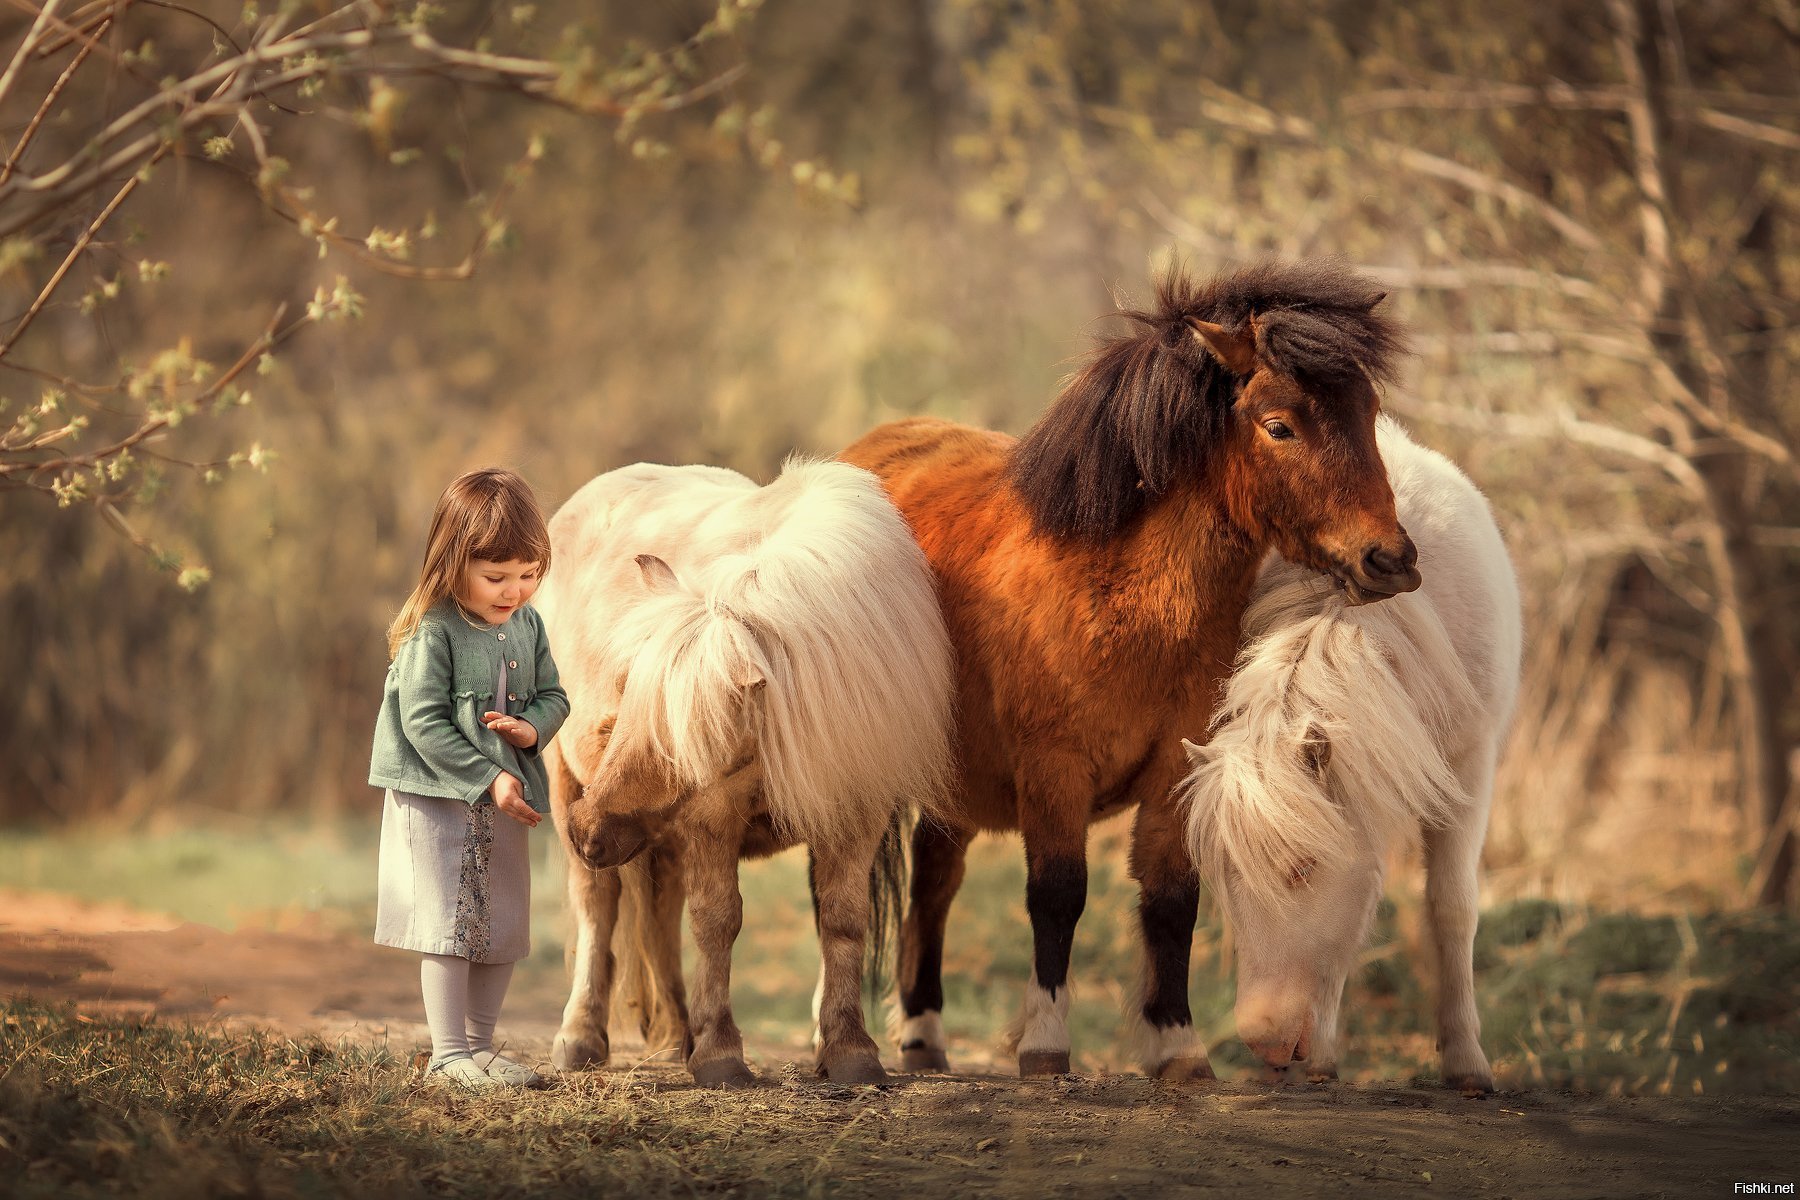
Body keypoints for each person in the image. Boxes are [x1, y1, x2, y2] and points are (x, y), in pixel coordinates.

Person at [368, 467, 569, 1090]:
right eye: (496, 576)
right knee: (448, 921)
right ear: (453, 563)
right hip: (438, 793)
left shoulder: (527, 626)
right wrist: (488, 776)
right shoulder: (434, 630)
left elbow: (556, 695)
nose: (514, 590)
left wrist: (531, 731)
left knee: (503, 919)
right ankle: (447, 1054)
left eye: (528, 574)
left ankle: (479, 1049)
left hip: (506, 796)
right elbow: (423, 722)